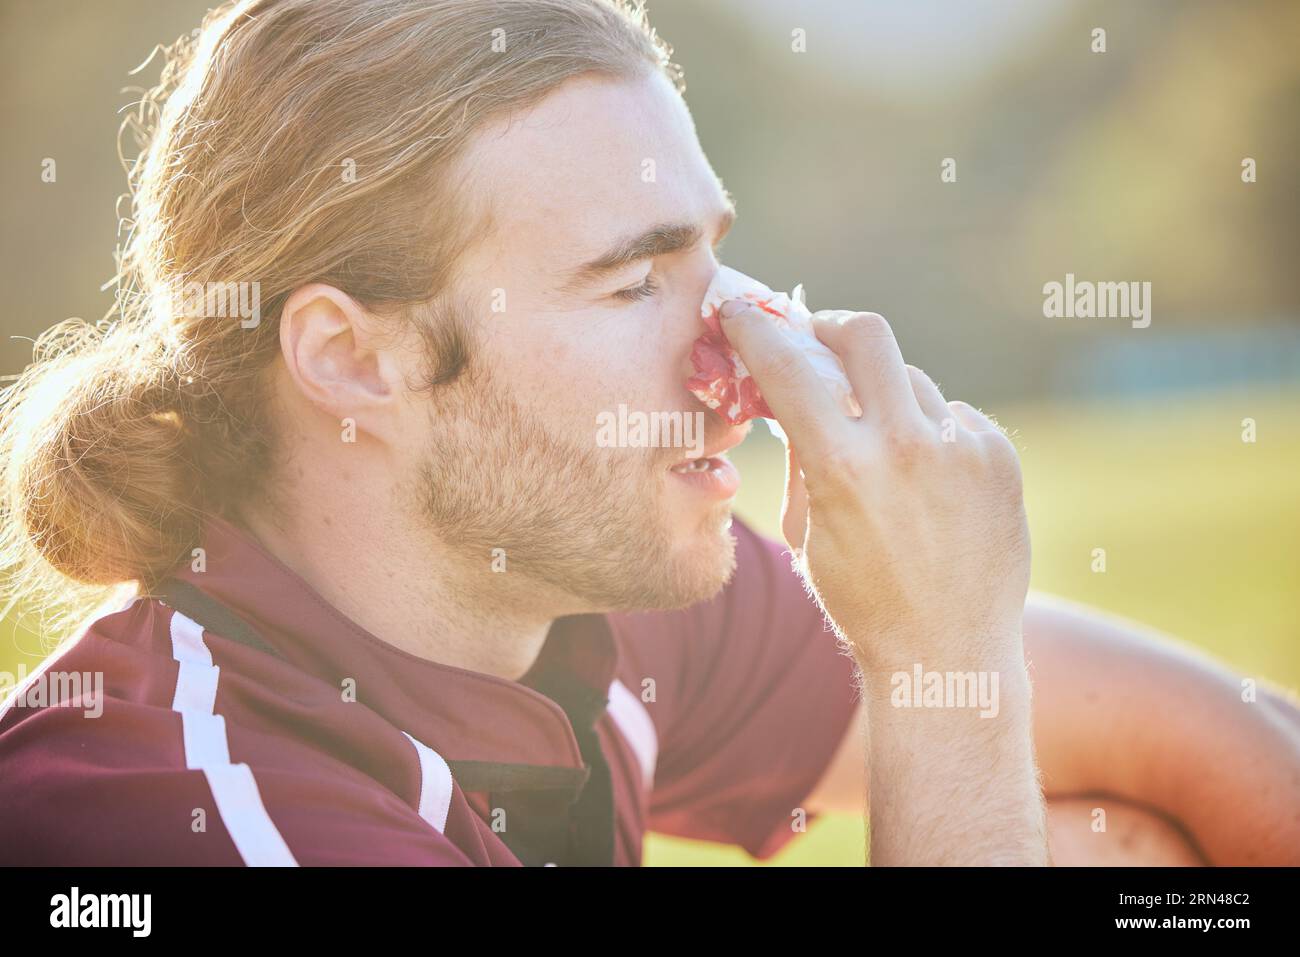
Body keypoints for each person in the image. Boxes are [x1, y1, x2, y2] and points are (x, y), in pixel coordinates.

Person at [0, 0, 1296, 866]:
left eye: (712, 263)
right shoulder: (191, 822)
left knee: (1118, 852)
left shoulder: (586, 578)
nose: (742, 358)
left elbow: (1234, 747)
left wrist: (959, 684)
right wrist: (941, 669)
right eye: (634, 282)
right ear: (355, 360)